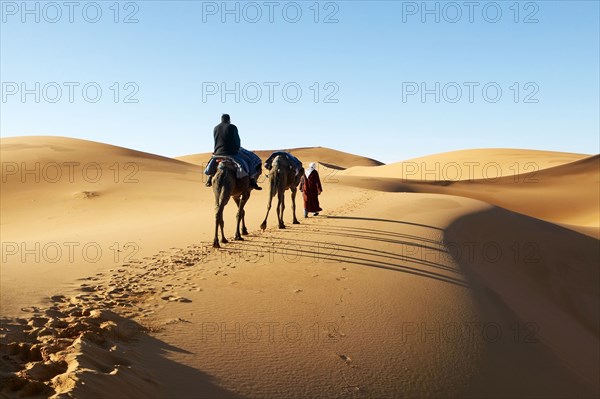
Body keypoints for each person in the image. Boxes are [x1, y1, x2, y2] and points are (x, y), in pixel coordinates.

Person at [205, 114, 262, 190]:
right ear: (229, 120)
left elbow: (216, 140)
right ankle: (252, 181)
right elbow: (237, 141)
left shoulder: (215, 128)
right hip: (231, 153)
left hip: (217, 154)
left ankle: (209, 179)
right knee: (249, 161)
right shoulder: (232, 127)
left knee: (211, 163)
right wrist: (237, 148)